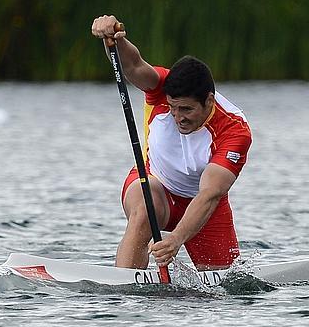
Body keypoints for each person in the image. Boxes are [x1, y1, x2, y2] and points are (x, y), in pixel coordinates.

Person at [91, 15, 252, 271]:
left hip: (202, 203)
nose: (178, 117)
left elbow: (210, 194)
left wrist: (176, 239)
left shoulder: (235, 130)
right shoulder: (161, 86)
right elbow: (133, 65)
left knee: (226, 281)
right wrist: (115, 40)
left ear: (209, 101)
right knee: (145, 209)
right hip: (155, 184)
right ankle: (124, 284)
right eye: (174, 108)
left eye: (187, 109)